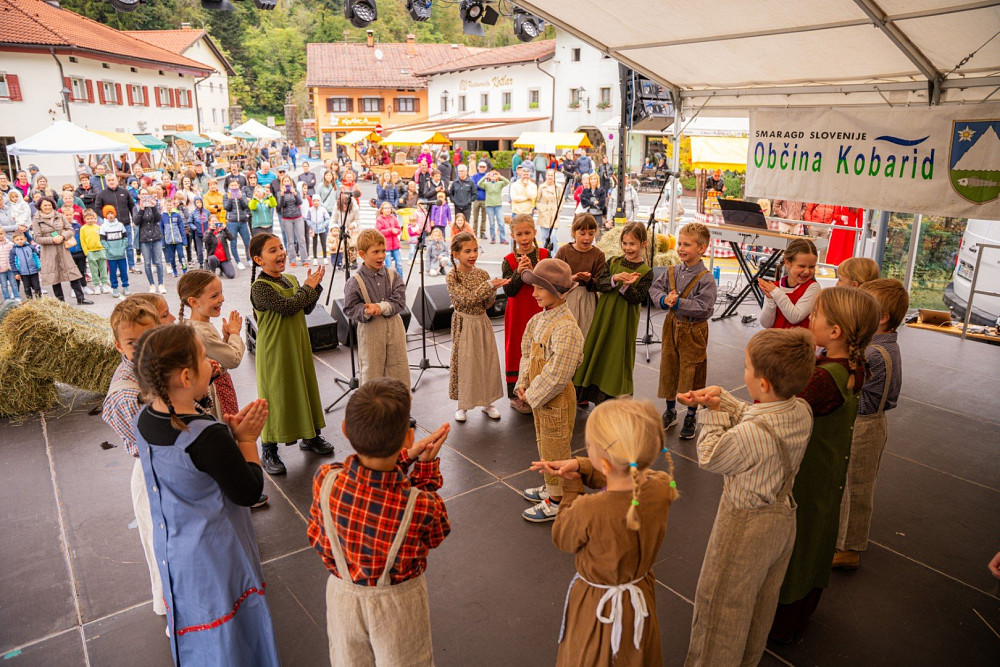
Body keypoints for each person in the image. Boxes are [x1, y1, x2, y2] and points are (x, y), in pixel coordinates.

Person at [131, 325, 280, 665]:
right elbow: (249, 490)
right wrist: (245, 441)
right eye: (203, 358)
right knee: (231, 636)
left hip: (177, 555)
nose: (211, 362)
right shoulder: (206, 435)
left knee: (197, 631)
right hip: (216, 559)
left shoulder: (145, 418)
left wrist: (228, 438)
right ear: (186, 377)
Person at [681, 329, 816, 666]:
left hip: (743, 528)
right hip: (781, 520)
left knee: (720, 610)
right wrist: (724, 400)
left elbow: (711, 456)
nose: (744, 373)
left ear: (764, 384)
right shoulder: (800, 410)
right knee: (758, 605)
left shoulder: (750, 435)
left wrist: (711, 414)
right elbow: (758, 417)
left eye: (746, 368)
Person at [308, 379, 450, 666]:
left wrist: (406, 457)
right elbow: (436, 533)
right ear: (408, 438)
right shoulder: (422, 504)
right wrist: (423, 468)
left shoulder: (326, 479)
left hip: (342, 599)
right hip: (398, 604)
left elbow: (316, 536)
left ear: (345, 430)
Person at [770, 287, 881, 643]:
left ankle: (781, 620)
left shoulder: (822, 378)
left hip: (808, 476)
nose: (810, 319)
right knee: (815, 542)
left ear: (835, 332)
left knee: (795, 547)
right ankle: (801, 611)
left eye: (816, 315)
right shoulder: (853, 365)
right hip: (828, 476)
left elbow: (780, 416)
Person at [537, 399, 678, 665]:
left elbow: (563, 538)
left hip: (597, 604)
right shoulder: (662, 488)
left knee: (593, 654)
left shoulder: (589, 510)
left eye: (589, 448)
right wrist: (584, 466)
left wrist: (572, 488)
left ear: (605, 462)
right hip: (640, 596)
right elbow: (630, 478)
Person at [834, 279, 908, 570]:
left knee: (857, 485)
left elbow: (849, 383)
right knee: (849, 482)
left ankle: (850, 547)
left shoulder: (876, 353)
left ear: (881, 317)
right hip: (863, 423)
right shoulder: (878, 345)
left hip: (866, 425)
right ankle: (842, 538)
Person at [101, 299, 165, 621]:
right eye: (132, 343)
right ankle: (174, 618)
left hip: (175, 467)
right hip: (156, 476)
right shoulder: (126, 395)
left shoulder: (159, 365)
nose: (143, 348)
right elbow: (156, 445)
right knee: (163, 550)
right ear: (118, 346)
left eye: (150, 338)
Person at [249, 233, 333, 475]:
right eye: (272, 250)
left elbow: (305, 307)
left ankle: (310, 436)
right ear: (258, 260)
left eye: (281, 248)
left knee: (303, 388)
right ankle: (269, 448)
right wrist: (307, 288)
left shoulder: (290, 278)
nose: (281, 253)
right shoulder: (260, 288)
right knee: (275, 395)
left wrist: (313, 287)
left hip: (297, 345)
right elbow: (287, 308)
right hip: (275, 349)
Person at [515, 258, 585, 522]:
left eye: (539, 289)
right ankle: (551, 486)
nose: (533, 293)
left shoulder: (566, 328)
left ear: (556, 291)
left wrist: (532, 395)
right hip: (540, 398)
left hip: (555, 400)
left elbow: (558, 373)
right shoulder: (538, 319)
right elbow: (526, 353)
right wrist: (523, 383)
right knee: (544, 444)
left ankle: (558, 500)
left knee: (556, 447)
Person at [574, 223, 653, 404]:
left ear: (643, 244)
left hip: (624, 320)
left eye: (632, 244)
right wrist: (615, 279)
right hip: (604, 316)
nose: (627, 248)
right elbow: (600, 284)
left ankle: (613, 395)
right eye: (624, 243)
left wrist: (626, 287)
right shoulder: (614, 262)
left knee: (617, 354)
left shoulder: (646, 272)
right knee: (598, 349)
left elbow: (637, 298)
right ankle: (591, 390)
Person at [650, 223, 717, 438]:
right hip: (671, 326)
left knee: (692, 370)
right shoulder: (672, 271)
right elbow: (655, 288)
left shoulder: (706, 278)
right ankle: (670, 410)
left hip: (694, 331)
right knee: (669, 366)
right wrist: (662, 299)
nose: (680, 248)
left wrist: (678, 303)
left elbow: (704, 308)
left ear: (701, 248)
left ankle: (690, 413)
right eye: (679, 243)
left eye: (686, 244)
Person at [447, 231, 510, 422]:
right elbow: (466, 300)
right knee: (466, 363)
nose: (473, 255)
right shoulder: (453, 277)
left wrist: (493, 290)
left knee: (486, 360)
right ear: (456, 254)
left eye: (475, 250)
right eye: (467, 251)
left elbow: (487, 304)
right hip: (465, 323)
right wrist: (489, 286)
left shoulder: (482, 274)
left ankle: (487, 401)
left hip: (481, 322)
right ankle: (463, 405)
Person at [178, 270, 247, 429]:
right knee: (227, 430)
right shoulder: (202, 332)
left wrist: (226, 340)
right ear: (194, 302)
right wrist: (235, 334)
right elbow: (232, 359)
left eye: (221, 293)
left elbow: (215, 354)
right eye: (214, 296)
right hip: (216, 391)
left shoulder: (192, 324)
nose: (222, 299)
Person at [343, 229, 411, 388]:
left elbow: (400, 301)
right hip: (371, 330)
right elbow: (350, 308)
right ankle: (373, 410)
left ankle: (398, 408)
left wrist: (380, 307)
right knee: (372, 370)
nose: (381, 256)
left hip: (394, 327)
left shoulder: (393, 276)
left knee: (398, 367)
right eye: (376, 252)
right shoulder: (354, 282)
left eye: (383, 251)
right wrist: (366, 311)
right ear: (362, 254)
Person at [502, 215, 548, 412]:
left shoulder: (545, 255)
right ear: (513, 236)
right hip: (518, 311)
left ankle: (540, 390)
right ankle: (518, 394)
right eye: (519, 234)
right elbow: (509, 291)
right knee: (518, 348)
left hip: (540, 307)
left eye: (527, 233)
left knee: (541, 346)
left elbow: (549, 282)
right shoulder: (509, 260)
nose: (524, 237)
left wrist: (534, 271)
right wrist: (518, 273)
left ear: (534, 233)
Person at [32, 197, 92, 305]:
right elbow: (36, 238)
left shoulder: (59, 216)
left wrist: (62, 236)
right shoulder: (37, 219)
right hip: (49, 252)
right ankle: (61, 302)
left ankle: (81, 298)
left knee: (72, 273)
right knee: (55, 277)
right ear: (40, 206)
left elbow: (70, 230)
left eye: (49, 205)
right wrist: (52, 239)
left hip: (63, 249)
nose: (47, 207)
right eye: (45, 205)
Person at [555, 214, 606, 338]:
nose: (587, 238)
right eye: (582, 234)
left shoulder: (598, 255)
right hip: (566, 297)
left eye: (591, 233)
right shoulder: (564, 251)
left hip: (587, 299)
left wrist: (589, 280)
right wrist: (572, 278)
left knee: (585, 334)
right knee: (565, 334)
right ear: (574, 232)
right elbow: (555, 278)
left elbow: (600, 283)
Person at [759, 239, 820, 330]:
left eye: (811, 267)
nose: (807, 271)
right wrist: (770, 300)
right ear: (787, 263)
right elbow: (766, 324)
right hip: (776, 340)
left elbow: (795, 317)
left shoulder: (813, 287)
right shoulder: (775, 287)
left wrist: (776, 293)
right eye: (802, 266)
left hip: (800, 343)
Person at [94, 174, 137, 272]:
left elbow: (132, 206)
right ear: (106, 182)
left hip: (125, 223)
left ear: (116, 180)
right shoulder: (102, 194)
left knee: (129, 246)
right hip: (111, 227)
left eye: (112, 179)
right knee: (114, 247)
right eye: (109, 180)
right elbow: (97, 208)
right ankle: (117, 268)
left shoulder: (124, 192)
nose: (111, 182)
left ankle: (131, 266)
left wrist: (133, 219)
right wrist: (107, 217)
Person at [134, 190, 165, 294]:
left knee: (158, 262)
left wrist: (153, 207)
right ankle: (151, 284)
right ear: (139, 196)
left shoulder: (154, 204)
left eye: (145, 194)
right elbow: (136, 222)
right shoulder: (136, 207)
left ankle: (161, 283)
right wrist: (142, 210)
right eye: (142, 194)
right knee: (147, 262)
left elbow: (158, 219)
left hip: (156, 236)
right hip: (144, 238)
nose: (144, 196)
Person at [277, 175, 307, 267]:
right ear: (282, 183)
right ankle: (292, 260)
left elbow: (300, 202)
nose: (286, 183)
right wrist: (282, 195)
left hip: (297, 217)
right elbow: (280, 205)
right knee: (290, 241)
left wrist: (295, 194)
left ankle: (304, 259)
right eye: (284, 181)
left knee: (301, 239)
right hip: (287, 218)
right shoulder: (279, 193)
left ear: (290, 182)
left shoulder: (295, 191)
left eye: (288, 181)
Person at [100, 205, 130, 297]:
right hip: (111, 256)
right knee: (113, 273)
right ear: (105, 215)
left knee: (124, 272)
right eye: (108, 213)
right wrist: (109, 250)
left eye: (112, 213)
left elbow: (125, 238)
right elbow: (103, 241)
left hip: (121, 254)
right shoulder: (104, 227)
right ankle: (115, 288)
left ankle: (125, 287)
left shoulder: (120, 225)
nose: (110, 215)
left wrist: (123, 248)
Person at [80, 208, 110, 294]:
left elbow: (103, 238)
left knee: (103, 268)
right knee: (94, 270)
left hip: (101, 250)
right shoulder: (83, 229)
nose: (90, 220)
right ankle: (96, 285)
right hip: (91, 251)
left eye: (91, 218)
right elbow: (83, 241)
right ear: (84, 219)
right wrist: (86, 252)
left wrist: (104, 248)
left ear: (94, 218)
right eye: (88, 219)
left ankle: (104, 284)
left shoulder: (99, 227)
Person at [223, 181, 251, 270]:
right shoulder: (226, 196)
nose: (234, 187)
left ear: (238, 186)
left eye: (235, 185)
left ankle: (249, 259)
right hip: (232, 222)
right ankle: (238, 261)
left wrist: (240, 198)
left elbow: (246, 206)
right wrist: (231, 198)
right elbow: (227, 208)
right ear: (229, 187)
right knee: (233, 242)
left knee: (247, 242)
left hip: (242, 221)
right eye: (232, 185)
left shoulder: (242, 194)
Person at [478, 169, 509, 244]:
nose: (493, 176)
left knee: (501, 222)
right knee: (491, 223)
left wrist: (500, 176)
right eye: (492, 174)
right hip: (489, 205)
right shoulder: (487, 184)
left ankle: (502, 238)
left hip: (498, 205)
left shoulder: (500, 183)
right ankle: (493, 238)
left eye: (494, 174)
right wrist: (485, 176)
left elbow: (507, 182)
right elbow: (479, 183)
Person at [161, 195, 188, 278]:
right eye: (167, 205)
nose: (169, 206)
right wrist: (163, 242)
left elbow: (181, 228)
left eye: (170, 205)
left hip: (178, 240)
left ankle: (184, 270)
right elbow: (161, 230)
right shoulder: (162, 216)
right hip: (169, 241)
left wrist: (184, 240)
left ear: (172, 205)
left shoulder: (177, 215)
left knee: (181, 255)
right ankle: (174, 270)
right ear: (164, 205)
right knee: (171, 258)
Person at [375, 202, 403, 277]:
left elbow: (399, 229)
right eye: (386, 208)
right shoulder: (379, 219)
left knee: (399, 263)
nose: (388, 210)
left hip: (395, 244)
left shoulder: (393, 218)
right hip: (386, 245)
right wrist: (390, 230)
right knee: (389, 266)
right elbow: (379, 232)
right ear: (382, 210)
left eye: (389, 208)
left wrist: (397, 231)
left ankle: (400, 280)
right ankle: (389, 281)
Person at [10, 232, 41, 298]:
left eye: (21, 239)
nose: (19, 241)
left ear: (25, 239)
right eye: (17, 240)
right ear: (14, 241)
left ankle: (39, 300)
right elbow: (12, 262)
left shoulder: (31, 247)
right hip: (23, 273)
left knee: (36, 286)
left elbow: (36, 257)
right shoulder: (13, 251)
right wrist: (16, 273)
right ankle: (30, 300)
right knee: (27, 287)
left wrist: (38, 266)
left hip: (34, 271)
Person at [535, 169, 560, 249]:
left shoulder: (558, 187)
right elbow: (537, 200)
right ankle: (546, 255)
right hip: (544, 214)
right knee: (545, 237)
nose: (550, 177)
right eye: (548, 175)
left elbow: (561, 200)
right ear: (546, 176)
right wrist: (541, 209)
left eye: (552, 175)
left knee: (553, 236)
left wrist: (558, 209)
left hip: (554, 213)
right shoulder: (541, 187)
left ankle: (555, 255)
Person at [306, 193, 330, 267]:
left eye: (317, 201)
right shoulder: (310, 210)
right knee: (314, 243)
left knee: (323, 243)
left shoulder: (323, 209)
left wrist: (323, 225)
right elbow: (307, 219)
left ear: (319, 201)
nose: (316, 202)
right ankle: (315, 258)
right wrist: (311, 225)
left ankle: (325, 257)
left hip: (321, 228)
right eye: (314, 201)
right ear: (312, 202)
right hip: (314, 229)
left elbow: (327, 218)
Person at [187, 197, 210, 269]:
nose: (199, 204)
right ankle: (201, 263)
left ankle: (209, 262)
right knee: (199, 250)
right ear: (195, 204)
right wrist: (195, 228)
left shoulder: (206, 211)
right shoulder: (193, 213)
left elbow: (210, 220)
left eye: (200, 202)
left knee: (209, 248)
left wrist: (209, 228)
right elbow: (189, 222)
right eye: (197, 202)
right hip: (198, 234)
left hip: (207, 233)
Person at [470, 161, 489, 240]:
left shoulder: (487, 176)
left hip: (485, 199)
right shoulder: (474, 176)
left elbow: (488, 186)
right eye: (480, 167)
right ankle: (474, 232)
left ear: (486, 168)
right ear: (478, 168)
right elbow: (473, 186)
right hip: (476, 199)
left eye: (483, 167)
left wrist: (479, 185)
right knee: (475, 217)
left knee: (484, 218)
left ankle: (482, 232)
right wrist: (481, 186)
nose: (482, 168)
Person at [0, 228, 17, 302]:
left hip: (10, 268)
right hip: (1, 269)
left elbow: (15, 255)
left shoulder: (10, 244)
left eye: (1, 234)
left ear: (4, 234)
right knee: (4, 285)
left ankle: (17, 297)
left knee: (13, 283)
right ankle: (7, 299)